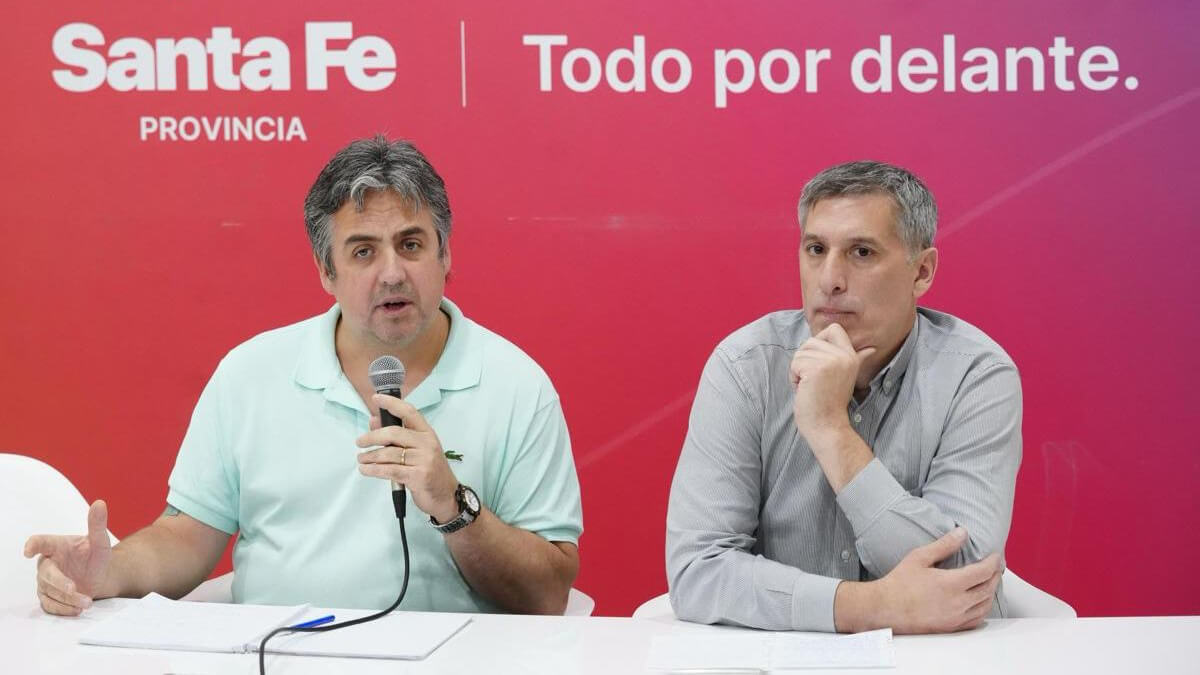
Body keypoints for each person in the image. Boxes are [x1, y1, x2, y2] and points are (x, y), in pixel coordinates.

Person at [25, 136, 583, 616]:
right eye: (363, 251)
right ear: (325, 270)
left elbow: (549, 593)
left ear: (445, 257)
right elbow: (185, 538)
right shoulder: (250, 373)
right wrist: (108, 574)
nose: (393, 273)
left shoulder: (516, 385)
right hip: (278, 654)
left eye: (411, 245)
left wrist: (452, 504)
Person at [666, 160, 1021, 634]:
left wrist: (831, 428)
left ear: (922, 271)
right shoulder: (746, 367)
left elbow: (960, 581)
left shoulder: (975, 375)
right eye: (816, 249)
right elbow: (698, 571)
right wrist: (870, 607)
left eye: (861, 253)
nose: (829, 279)